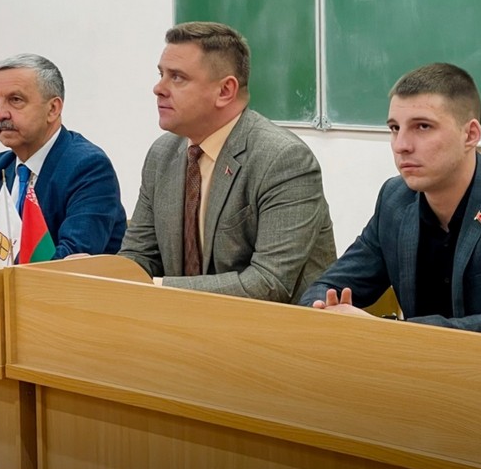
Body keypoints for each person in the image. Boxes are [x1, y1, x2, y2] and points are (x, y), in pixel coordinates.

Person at [300, 63, 481, 345]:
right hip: (423, 367)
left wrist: (387, 331)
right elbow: (327, 287)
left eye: (422, 127)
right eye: (395, 128)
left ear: (470, 135)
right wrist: (323, 310)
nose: (401, 145)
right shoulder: (395, 199)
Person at [119, 21, 335, 301]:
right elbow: (140, 255)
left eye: (178, 77)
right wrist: (102, 273)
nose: (158, 88)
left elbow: (269, 283)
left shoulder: (283, 160)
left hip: (270, 325)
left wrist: (156, 288)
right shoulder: (162, 154)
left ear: (225, 91)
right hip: (180, 319)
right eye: (161, 74)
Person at [0, 54, 125, 260]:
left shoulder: (88, 167)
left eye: (15, 100)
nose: (0, 114)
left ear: (53, 109)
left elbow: (68, 261)